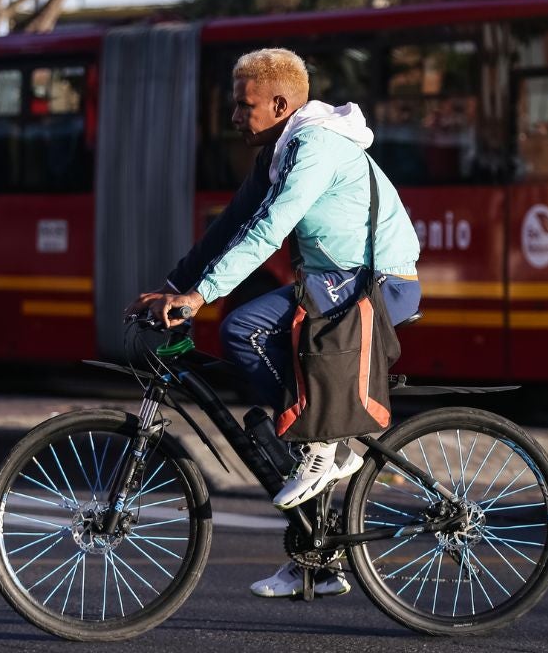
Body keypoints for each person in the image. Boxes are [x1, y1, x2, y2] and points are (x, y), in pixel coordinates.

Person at [125, 48, 422, 598]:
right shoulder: (277, 153)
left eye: (245, 106)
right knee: (286, 417)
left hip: (377, 283)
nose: (234, 116)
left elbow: (268, 232)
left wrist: (201, 297)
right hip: (335, 281)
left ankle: (325, 440)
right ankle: (317, 557)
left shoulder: (315, 147)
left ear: (281, 105)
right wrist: (172, 287)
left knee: (244, 329)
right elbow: (230, 227)